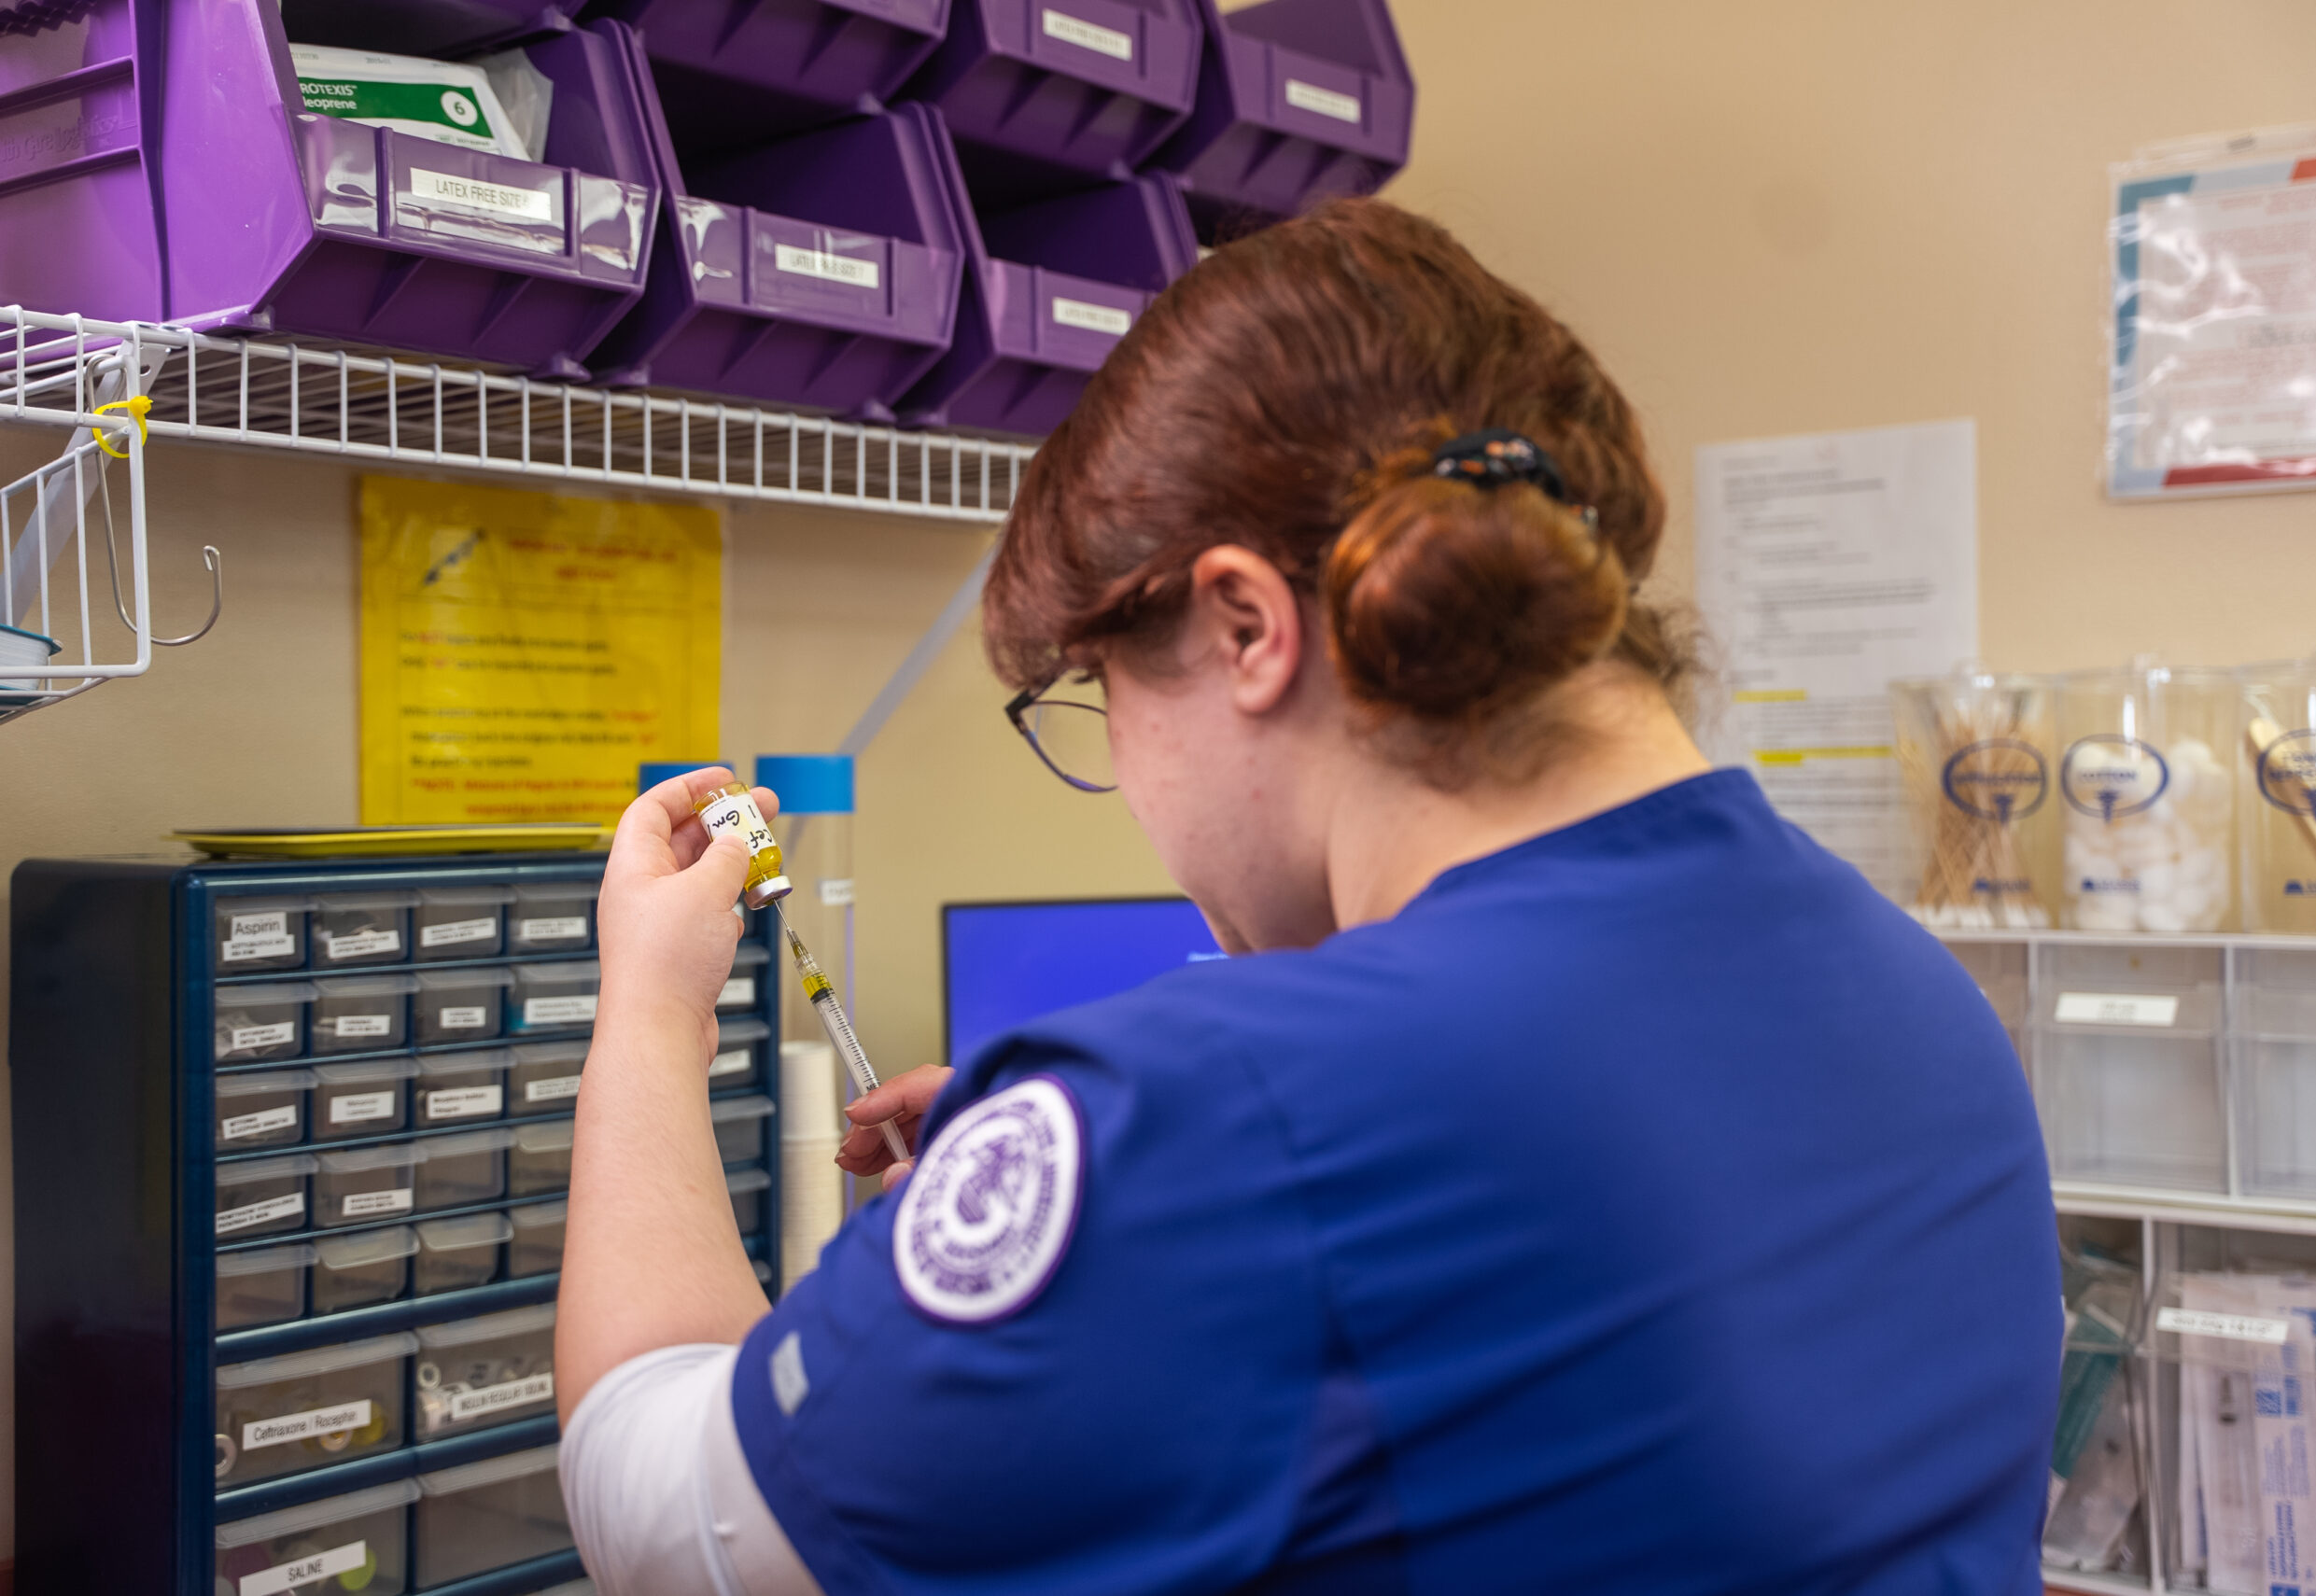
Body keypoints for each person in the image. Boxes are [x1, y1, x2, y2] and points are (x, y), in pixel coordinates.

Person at [555, 198, 2060, 1595]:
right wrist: (1083, 1234)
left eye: (1098, 699)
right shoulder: (1917, 996)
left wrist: (651, 1006)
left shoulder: (1210, 1115)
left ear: (1245, 627)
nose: (1134, 791)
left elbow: (658, 1514)